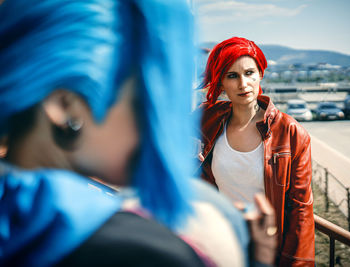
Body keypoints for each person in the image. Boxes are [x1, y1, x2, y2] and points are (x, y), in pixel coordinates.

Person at [0, 1, 276, 266]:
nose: (159, 126)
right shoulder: (146, 253)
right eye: (145, 101)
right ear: (65, 107)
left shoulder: (17, 217)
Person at [197, 37, 315, 266]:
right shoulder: (207, 121)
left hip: (268, 250)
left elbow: (301, 210)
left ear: (260, 74)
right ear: (220, 82)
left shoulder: (291, 133)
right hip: (219, 245)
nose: (243, 84)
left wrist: (295, 262)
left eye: (249, 73)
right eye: (232, 75)